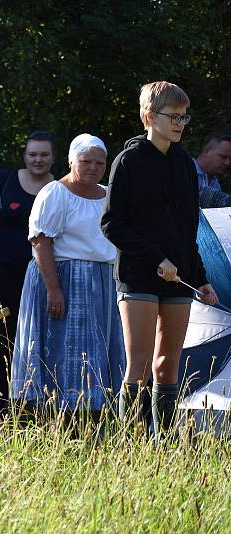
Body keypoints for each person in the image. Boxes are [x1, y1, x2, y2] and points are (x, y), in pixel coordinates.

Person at [102, 82, 218, 438]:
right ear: (149, 116)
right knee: (138, 366)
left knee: (168, 367)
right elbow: (111, 224)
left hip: (179, 278)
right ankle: (130, 444)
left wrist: (200, 277)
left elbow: (187, 230)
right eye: (173, 117)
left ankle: (161, 445)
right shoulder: (128, 161)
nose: (180, 124)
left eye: (184, 117)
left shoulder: (185, 164)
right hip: (138, 275)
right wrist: (156, 260)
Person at [11, 134, 125, 422]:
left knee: (99, 347)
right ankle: (58, 415)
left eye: (99, 162)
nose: (93, 167)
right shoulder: (55, 193)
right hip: (63, 276)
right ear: (72, 161)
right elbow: (40, 241)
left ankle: (96, 412)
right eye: (86, 161)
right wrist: (54, 289)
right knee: (63, 349)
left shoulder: (110, 194)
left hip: (102, 279)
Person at [0, 131, 55, 413]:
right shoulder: (4, 181)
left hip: (42, 279)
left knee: (36, 341)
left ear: (53, 158)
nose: (37, 160)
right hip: (0, 277)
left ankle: (33, 407)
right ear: (24, 155)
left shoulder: (59, 188)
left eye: (44, 155)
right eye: (32, 154)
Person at [194, 133, 231, 208]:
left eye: (230, 159)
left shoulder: (215, 184)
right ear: (207, 152)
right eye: (223, 157)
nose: (228, 163)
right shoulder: (182, 170)